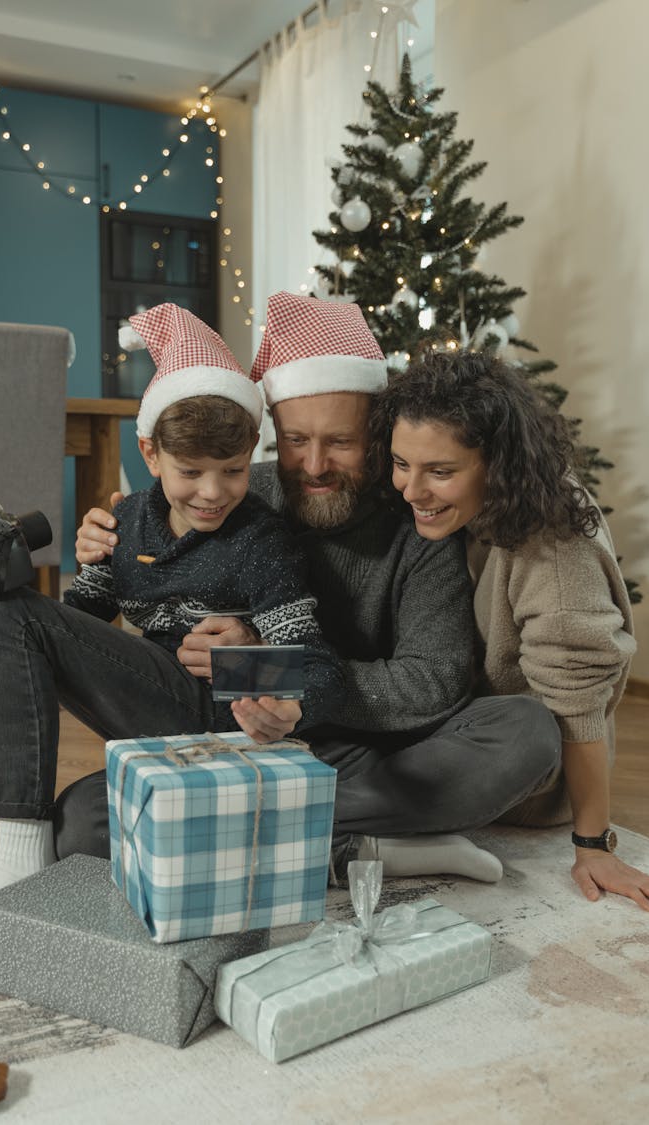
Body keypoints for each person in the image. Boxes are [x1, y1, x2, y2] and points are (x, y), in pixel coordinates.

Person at [69, 292, 561, 886]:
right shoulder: (233, 495)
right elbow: (152, 536)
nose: (315, 464)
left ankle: (230, 829)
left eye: (342, 442)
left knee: (525, 733)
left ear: (377, 438)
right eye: (296, 440)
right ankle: (354, 845)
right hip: (243, 748)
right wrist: (111, 535)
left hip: (373, 755)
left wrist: (261, 667)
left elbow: (435, 681)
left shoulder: (417, 522)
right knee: (78, 822)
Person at [0, 303, 344, 956]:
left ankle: (19, 857)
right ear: (150, 452)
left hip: (211, 718)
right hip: (143, 703)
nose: (214, 491)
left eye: (234, 470)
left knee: (9, 611)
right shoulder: (129, 522)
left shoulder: (262, 540)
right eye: (192, 472)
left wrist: (248, 663)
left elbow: (315, 665)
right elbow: (77, 627)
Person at [369, 348, 649, 913]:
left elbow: (576, 704)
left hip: (527, 761)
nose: (411, 490)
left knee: (526, 725)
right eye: (400, 463)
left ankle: (311, 816)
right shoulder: (448, 512)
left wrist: (594, 846)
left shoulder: (554, 551)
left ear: (499, 466)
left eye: (440, 471)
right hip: (447, 723)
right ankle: (352, 822)